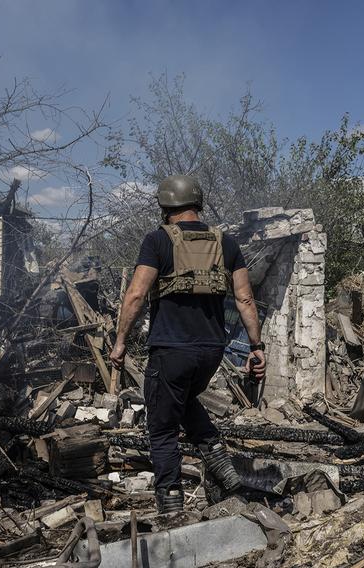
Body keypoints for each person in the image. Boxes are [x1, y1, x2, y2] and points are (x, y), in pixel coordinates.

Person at [109, 174, 266, 514]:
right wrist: (257, 347)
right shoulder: (226, 243)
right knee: (181, 399)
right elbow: (245, 299)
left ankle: (170, 502)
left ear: (166, 207)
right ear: (198, 203)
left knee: (162, 426)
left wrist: (120, 340)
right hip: (212, 352)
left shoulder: (157, 241)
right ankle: (216, 455)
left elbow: (135, 294)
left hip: (171, 350)